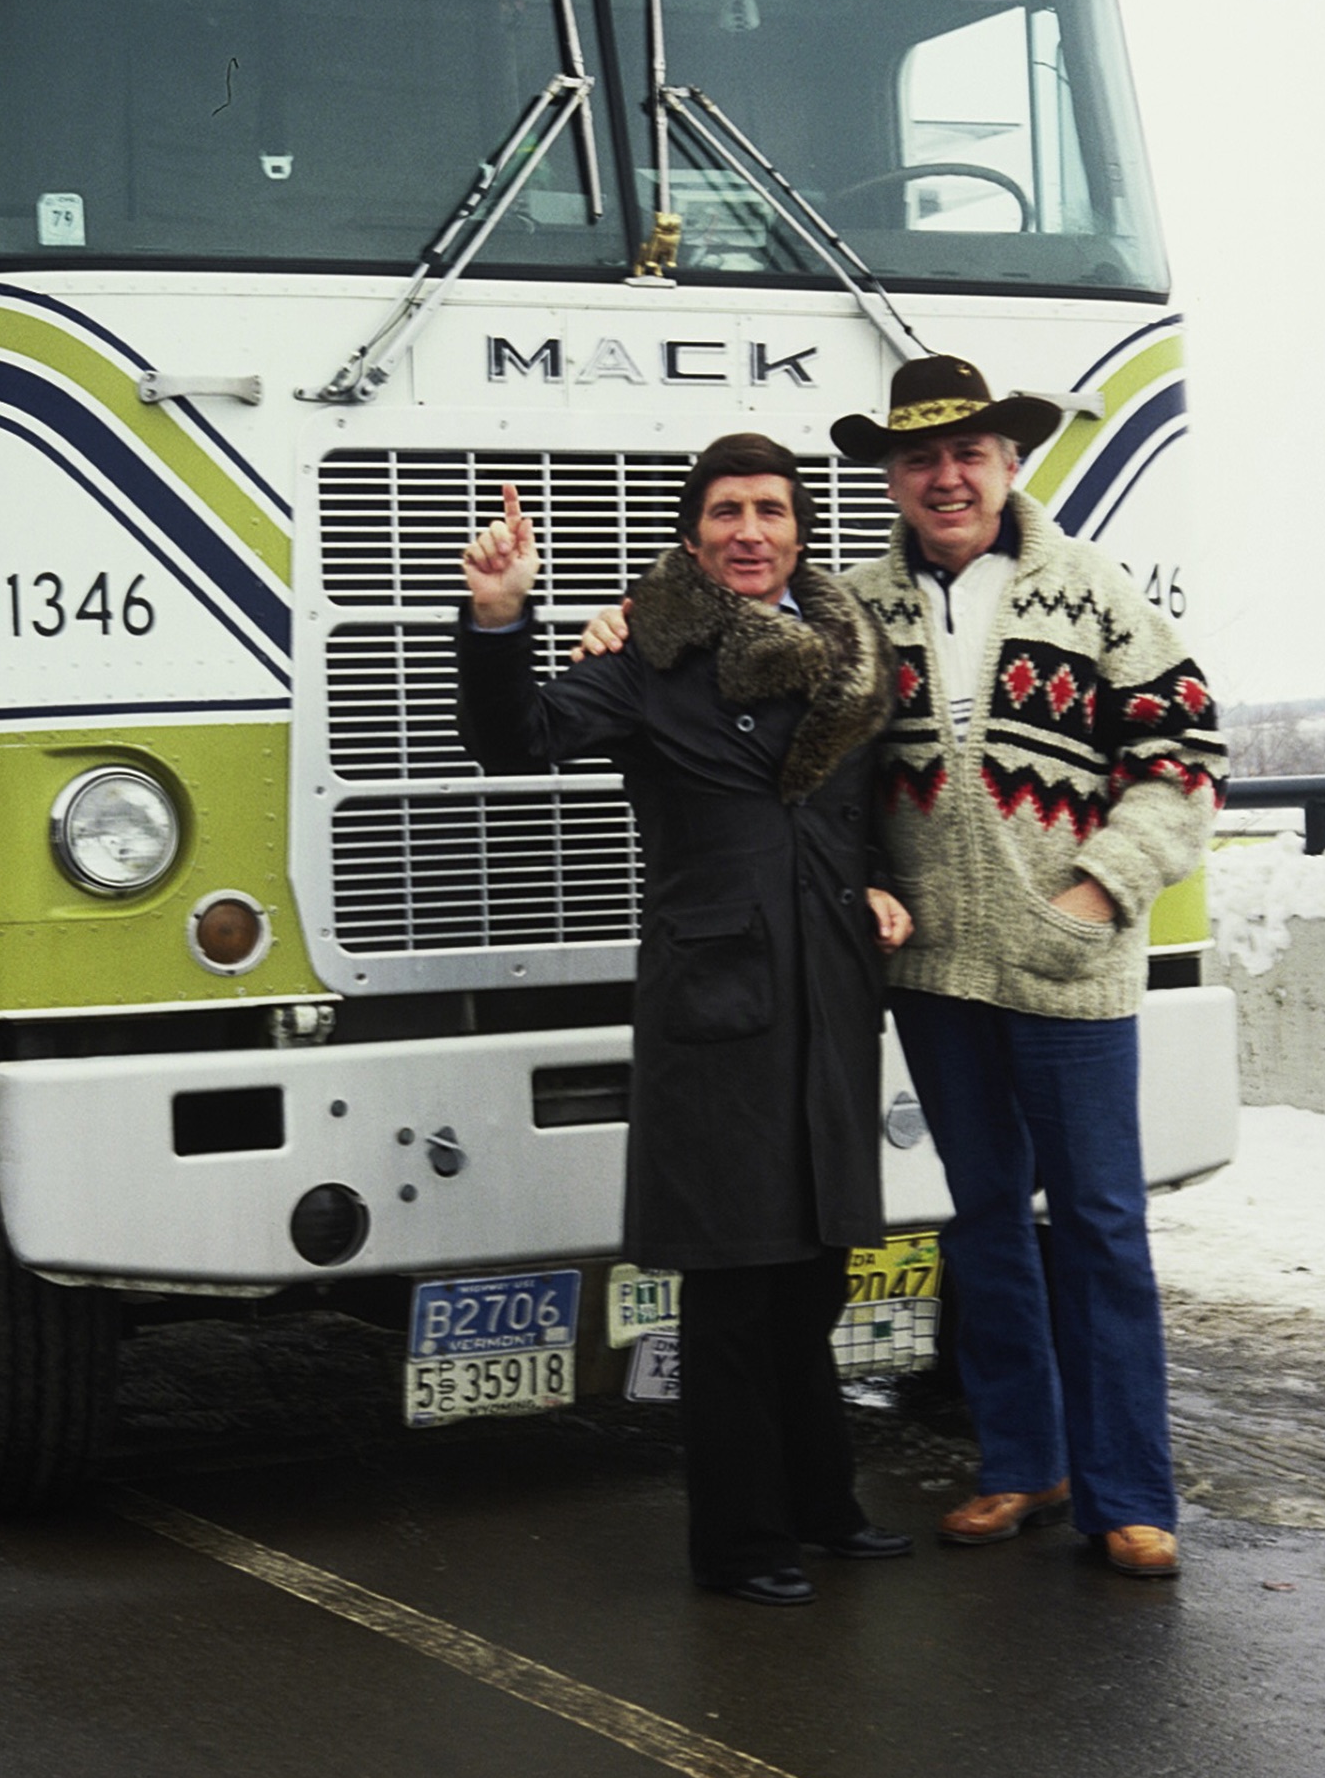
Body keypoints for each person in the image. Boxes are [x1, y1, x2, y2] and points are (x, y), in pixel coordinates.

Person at [577, 359, 1227, 1579]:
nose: (945, 476)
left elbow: (1185, 747)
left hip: (1070, 965)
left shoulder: (1093, 594)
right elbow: (800, 768)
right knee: (980, 1223)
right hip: (929, 972)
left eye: (968, 453)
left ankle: (1130, 1492)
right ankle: (1020, 1462)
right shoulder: (851, 612)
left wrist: (1103, 888)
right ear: (892, 477)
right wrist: (622, 620)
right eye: (921, 458)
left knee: (1095, 1221)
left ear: (1007, 463)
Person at [458, 434, 914, 1606]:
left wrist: (873, 883)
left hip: (828, 995)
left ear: (802, 529)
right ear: (694, 533)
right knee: (732, 1285)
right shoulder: (649, 657)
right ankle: (740, 1541)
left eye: (770, 509)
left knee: (815, 1274)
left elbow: (857, 806)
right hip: (716, 1008)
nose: (748, 531)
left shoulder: (852, 655)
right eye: (724, 512)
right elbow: (514, 741)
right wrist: (502, 614)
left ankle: (824, 1508)